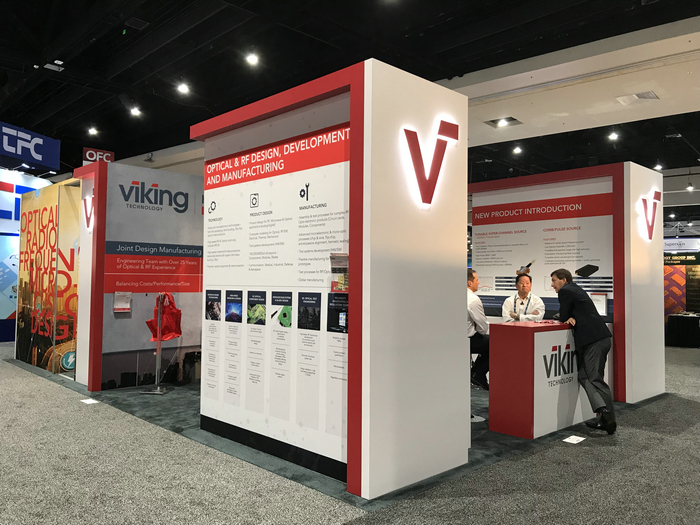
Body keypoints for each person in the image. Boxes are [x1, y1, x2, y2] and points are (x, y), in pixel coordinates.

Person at [551, 268, 616, 435]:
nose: (552, 285)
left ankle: (608, 416)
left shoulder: (566, 290)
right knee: (585, 376)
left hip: (593, 341)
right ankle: (604, 414)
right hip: (600, 339)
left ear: (563, 280)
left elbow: (564, 315)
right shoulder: (576, 289)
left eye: (554, 280)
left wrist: (564, 316)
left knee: (593, 379)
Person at [467, 268, 489, 390]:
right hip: (467, 339)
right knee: (497, 343)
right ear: (469, 283)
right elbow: (483, 328)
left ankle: (476, 374)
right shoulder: (473, 300)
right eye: (477, 279)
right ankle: (477, 374)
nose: (479, 282)